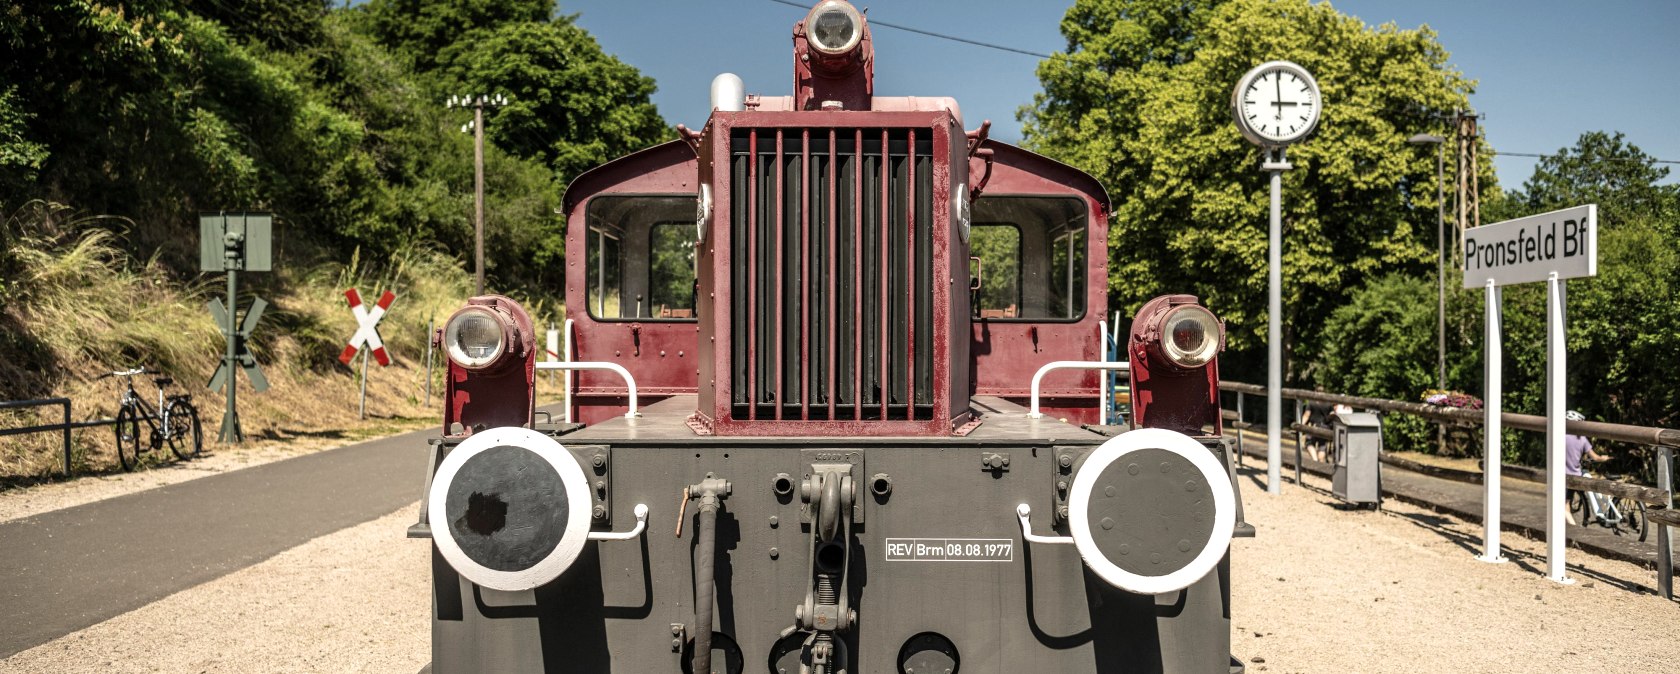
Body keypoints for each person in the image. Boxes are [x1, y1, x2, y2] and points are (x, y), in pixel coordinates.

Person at [1563, 409, 1609, 526]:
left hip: (1564, 476)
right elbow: (1595, 457)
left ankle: (1573, 528)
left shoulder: (1561, 437)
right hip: (1576, 475)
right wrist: (1603, 458)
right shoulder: (1582, 439)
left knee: (1564, 506)